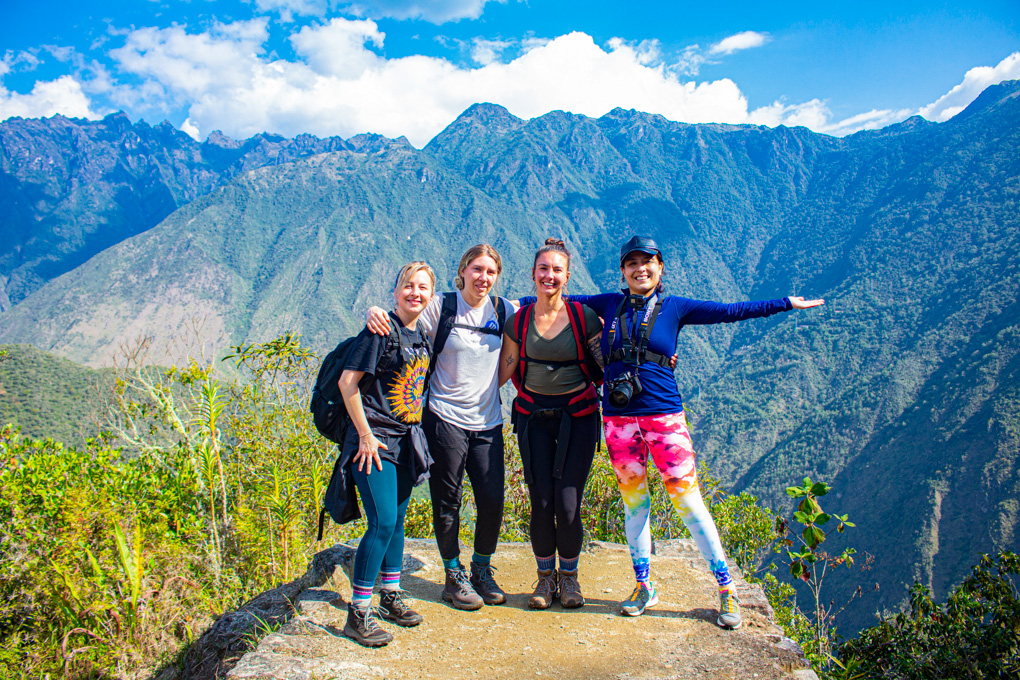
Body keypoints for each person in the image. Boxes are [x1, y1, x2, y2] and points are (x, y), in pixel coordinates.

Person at [560, 235, 824, 628]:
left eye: (647, 262)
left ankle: (726, 589)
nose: (640, 269)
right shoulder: (608, 304)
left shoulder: (675, 308)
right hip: (617, 420)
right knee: (635, 504)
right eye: (632, 263)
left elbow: (732, 311)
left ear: (660, 267)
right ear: (622, 271)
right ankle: (643, 584)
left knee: (688, 502)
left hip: (664, 418)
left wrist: (785, 303)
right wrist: (507, 305)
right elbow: (554, 302)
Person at [366, 245, 515, 610]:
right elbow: (405, 320)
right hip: (443, 418)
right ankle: (453, 574)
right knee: (448, 499)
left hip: (488, 420)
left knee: (492, 498)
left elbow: (531, 330)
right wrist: (374, 313)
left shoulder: (504, 310)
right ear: (463, 270)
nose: (483, 278)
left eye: (490, 272)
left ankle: (481, 568)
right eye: (476, 269)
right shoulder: (442, 306)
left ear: (497, 277)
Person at [498, 238, 603, 610]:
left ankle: (570, 580)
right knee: (541, 499)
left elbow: (605, 364)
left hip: (578, 416)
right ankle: (545, 580)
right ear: (533, 274)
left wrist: (658, 363)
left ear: (567, 276)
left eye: (557, 270)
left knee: (568, 502)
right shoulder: (519, 321)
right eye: (544, 269)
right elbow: (505, 369)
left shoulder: (583, 317)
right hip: (532, 418)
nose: (550, 275)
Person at [338, 261, 436, 647]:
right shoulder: (378, 332)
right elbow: (349, 384)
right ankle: (358, 614)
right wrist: (363, 435)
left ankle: (390, 596)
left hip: (406, 442)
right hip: (374, 443)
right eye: (408, 285)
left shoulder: (421, 336)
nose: (415, 292)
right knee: (380, 523)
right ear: (395, 292)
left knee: (396, 523)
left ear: (430, 296)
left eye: (422, 287)